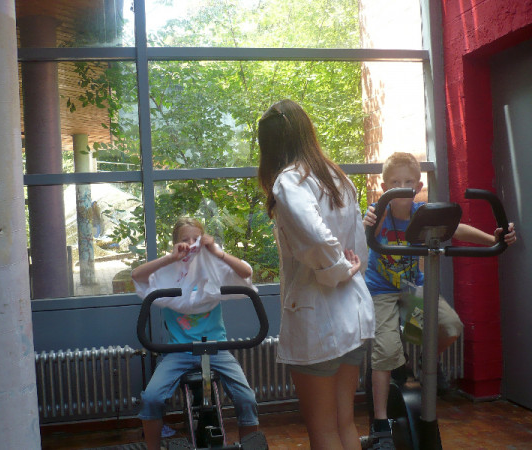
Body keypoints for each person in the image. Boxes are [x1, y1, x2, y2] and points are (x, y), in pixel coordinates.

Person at [362, 151, 517, 446]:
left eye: (408, 182)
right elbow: (364, 229)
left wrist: (493, 239)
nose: (402, 188)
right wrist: (369, 220)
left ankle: (425, 359)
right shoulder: (378, 212)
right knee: (386, 352)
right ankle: (380, 424)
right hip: (382, 291)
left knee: (450, 326)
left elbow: (456, 229)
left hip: (413, 288)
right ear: (384, 188)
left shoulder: (422, 214)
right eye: (395, 183)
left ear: (418, 186)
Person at [257, 99, 375, 450]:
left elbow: (317, 239)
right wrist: (348, 270)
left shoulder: (289, 181)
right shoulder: (336, 176)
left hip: (318, 322)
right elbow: (359, 248)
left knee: (323, 431)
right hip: (352, 313)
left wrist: (336, 271)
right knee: (344, 424)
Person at [131, 217, 260, 450]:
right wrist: (171, 257)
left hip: (216, 348)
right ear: (175, 243)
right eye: (185, 240)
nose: (191, 244)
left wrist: (217, 251)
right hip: (178, 351)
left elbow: (245, 272)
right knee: (151, 398)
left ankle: (249, 445)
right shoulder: (169, 272)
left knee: (246, 398)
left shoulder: (212, 266)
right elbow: (137, 275)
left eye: (196, 239)